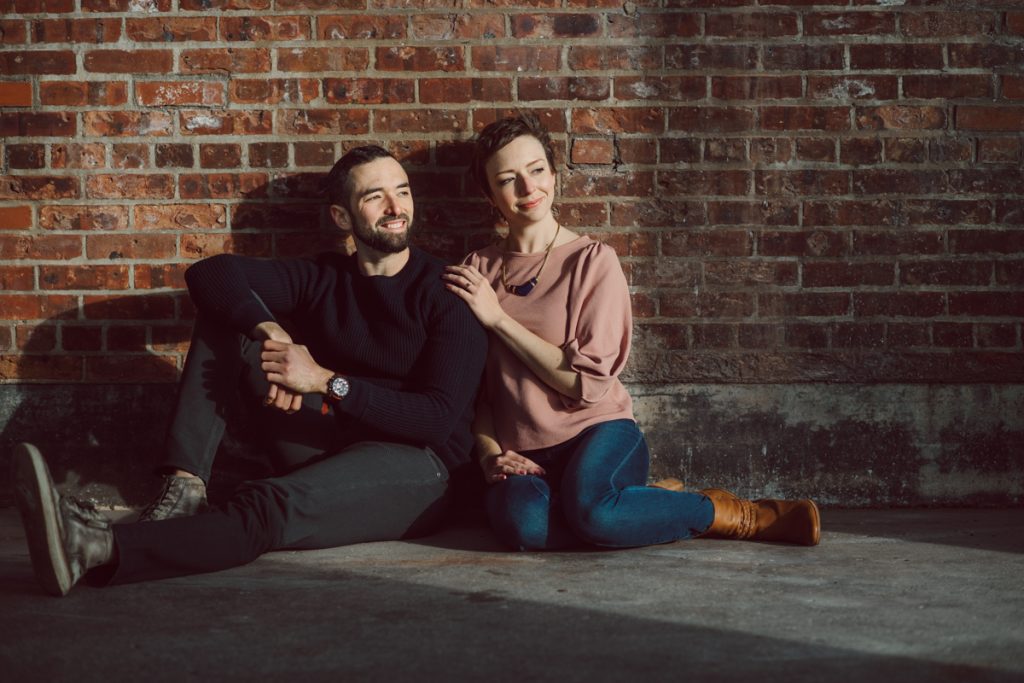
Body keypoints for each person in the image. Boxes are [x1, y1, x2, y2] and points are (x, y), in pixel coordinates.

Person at [13, 145, 487, 596]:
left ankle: (96, 549)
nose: (394, 206)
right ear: (341, 217)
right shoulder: (325, 277)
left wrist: (322, 380)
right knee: (230, 318)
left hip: (420, 468)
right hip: (330, 435)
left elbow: (436, 418)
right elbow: (210, 273)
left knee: (267, 504)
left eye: (402, 191)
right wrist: (271, 332)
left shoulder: (445, 293)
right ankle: (183, 488)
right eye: (374, 196)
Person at [443, 114, 820, 551]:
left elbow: (584, 384)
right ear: (489, 194)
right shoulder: (476, 271)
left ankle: (731, 514)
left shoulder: (592, 262)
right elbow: (476, 392)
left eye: (537, 170)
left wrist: (499, 320)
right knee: (522, 527)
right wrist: (490, 454)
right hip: (522, 452)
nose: (529, 189)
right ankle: (642, 507)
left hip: (598, 432)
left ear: (554, 174)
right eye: (508, 179)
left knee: (596, 513)